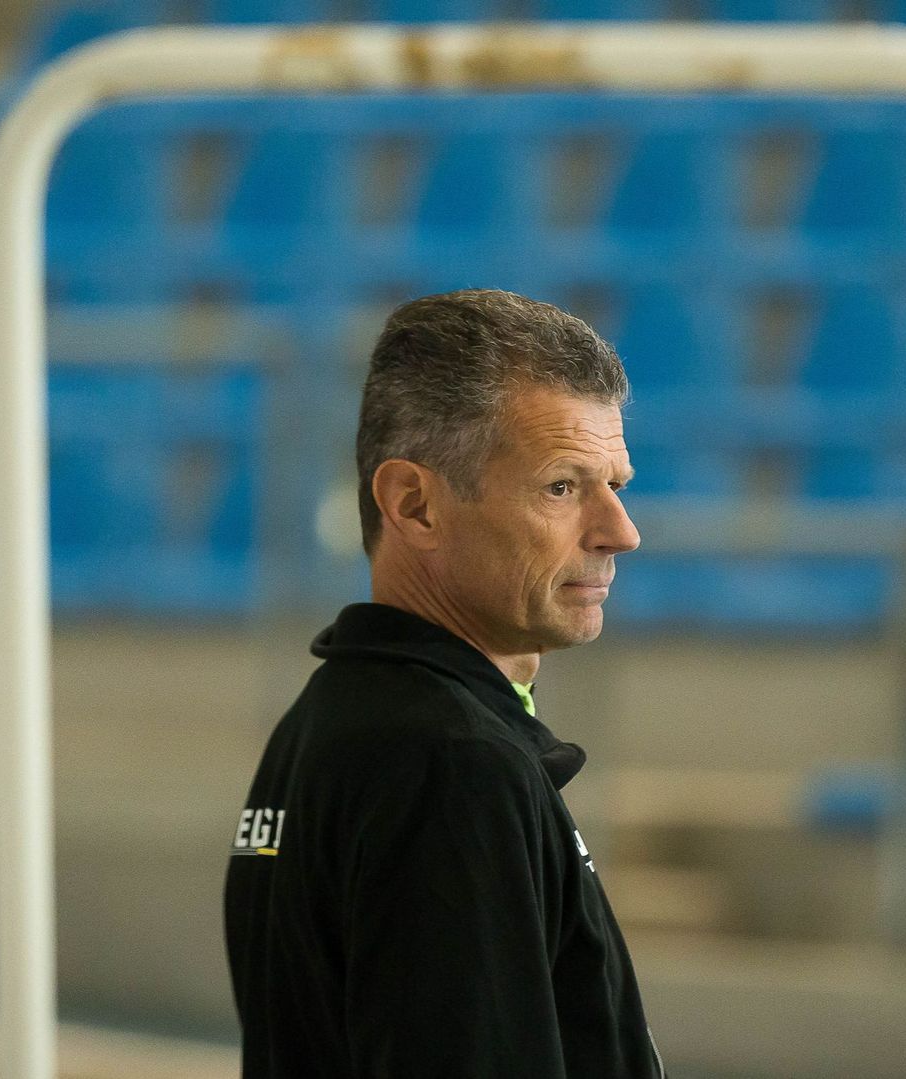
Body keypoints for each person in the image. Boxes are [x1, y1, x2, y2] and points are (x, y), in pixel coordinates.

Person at [224, 289, 667, 1077]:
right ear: (415, 504)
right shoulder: (453, 765)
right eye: (563, 487)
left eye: (617, 485)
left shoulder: (327, 718)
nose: (619, 532)